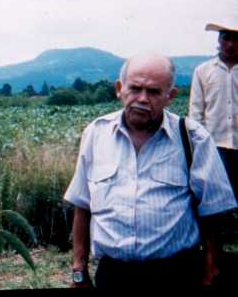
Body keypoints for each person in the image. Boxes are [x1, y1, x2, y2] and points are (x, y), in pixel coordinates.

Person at [64, 53, 237, 290]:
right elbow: (82, 205)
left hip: (176, 274)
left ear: (170, 96)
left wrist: (211, 265)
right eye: (135, 88)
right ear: (119, 89)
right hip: (113, 275)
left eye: (154, 92)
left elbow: (213, 210)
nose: (142, 99)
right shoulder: (96, 134)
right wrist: (78, 270)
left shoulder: (192, 137)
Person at [189, 20, 238, 199]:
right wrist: (197, 145)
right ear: (219, 40)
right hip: (214, 144)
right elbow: (196, 110)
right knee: (217, 195)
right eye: (226, 38)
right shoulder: (203, 71)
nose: (231, 45)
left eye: (236, 39)